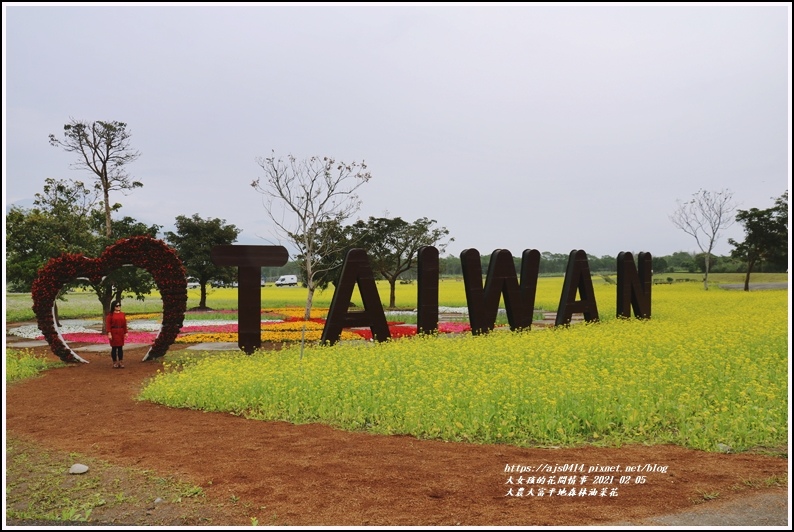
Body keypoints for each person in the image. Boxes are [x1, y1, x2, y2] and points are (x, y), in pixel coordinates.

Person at [106, 301, 128, 368]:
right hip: (114, 331)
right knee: (114, 348)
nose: (118, 307)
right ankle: (114, 362)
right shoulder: (110, 315)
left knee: (120, 347)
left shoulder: (122, 314)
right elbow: (108, 325)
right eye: (117, 306)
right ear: (113, 306)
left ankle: (121, 362)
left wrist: (126, 332)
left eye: (119, 305)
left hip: (120, 331)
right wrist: (109, 333)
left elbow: (124, 324)